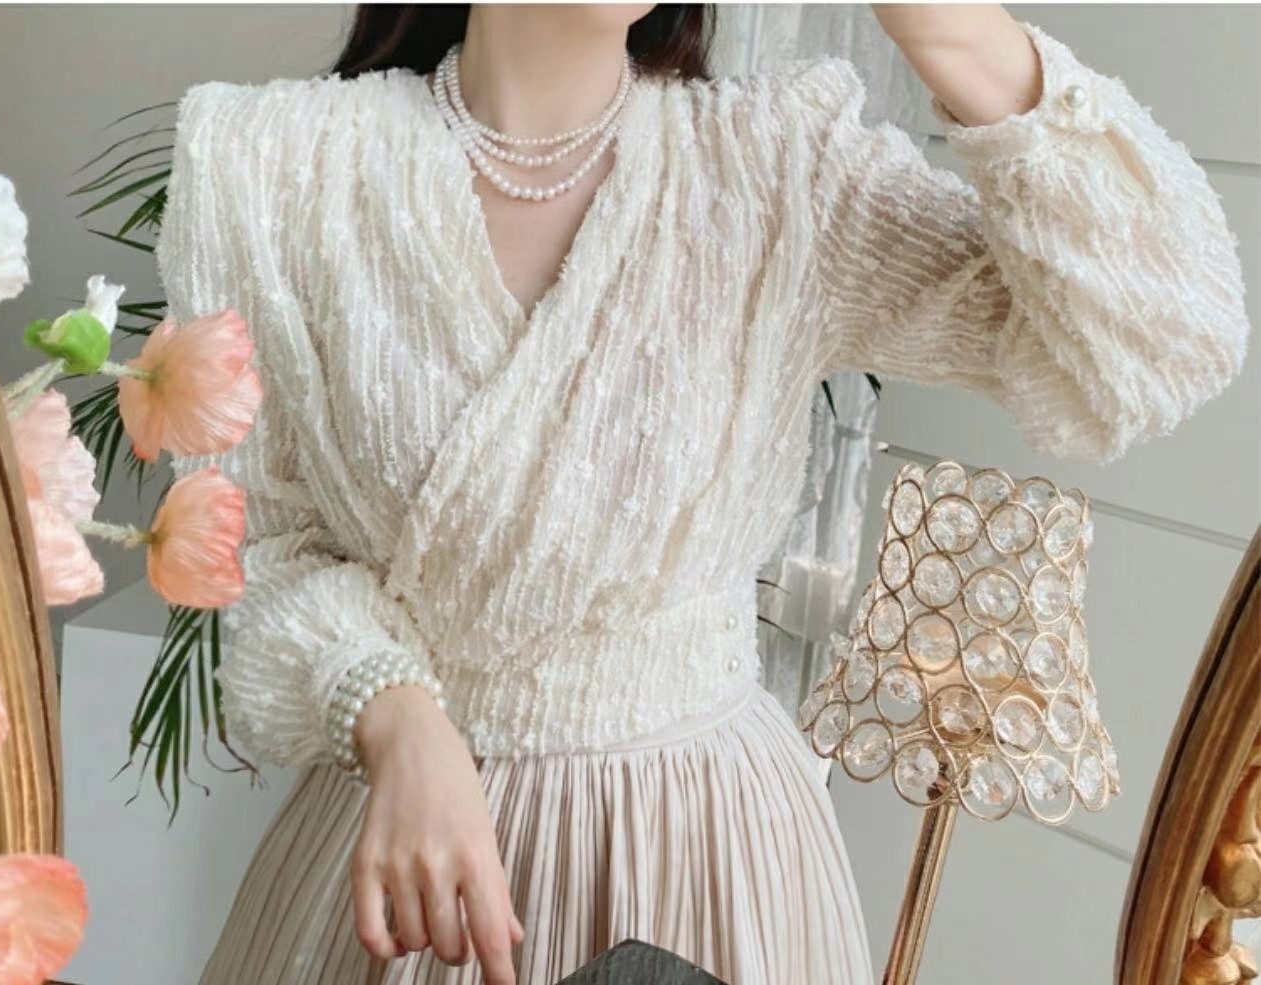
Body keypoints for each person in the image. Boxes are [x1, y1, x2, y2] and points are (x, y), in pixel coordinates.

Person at [157, 4, 1251, 984]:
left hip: (706, 860)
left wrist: (941, 21)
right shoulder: (275, 165)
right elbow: (255, 543)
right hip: (406, 869)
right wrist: (389, 709)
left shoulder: (776, 171)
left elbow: (1162, 347)